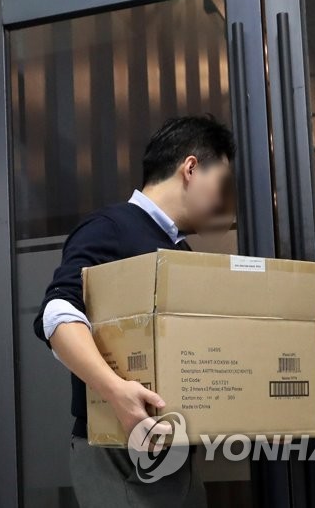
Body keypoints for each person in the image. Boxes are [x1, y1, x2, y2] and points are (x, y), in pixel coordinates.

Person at [33, 115, 235, 507]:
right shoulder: (111, 227)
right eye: (222, 183)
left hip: (174, 455)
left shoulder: (179, 251)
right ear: (191, 168)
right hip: (119, 452)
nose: (223, 200)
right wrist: (116, 392)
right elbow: (57, 313)